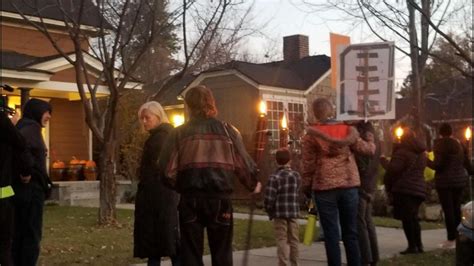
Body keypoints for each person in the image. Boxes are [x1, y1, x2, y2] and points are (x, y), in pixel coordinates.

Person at [159, 85, 261, 266]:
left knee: (191, 255)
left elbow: (166, 171)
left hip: (190, 200)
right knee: (222, 254)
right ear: (211, 102)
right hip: (220, 200)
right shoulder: (228, 131)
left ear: (189, 106)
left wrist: (182, 185)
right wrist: (253, 184)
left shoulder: (179, 133)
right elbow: (243, 164)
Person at [302, 98, 375, 266]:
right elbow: (368, 150)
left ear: (315, 113)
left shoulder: (311, 136)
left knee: (331, 234)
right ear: (331, 111)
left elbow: (308, 164)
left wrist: (306, 186)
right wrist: (370, 138)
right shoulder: (347, 131)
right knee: (351, 232)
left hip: (324, 186)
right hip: (349, 185)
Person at [133, 101, 180, 266]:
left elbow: (160, 170)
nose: (144, 122)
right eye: (142, 118)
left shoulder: (160, 139)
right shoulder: (165, 136)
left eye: (147, 117)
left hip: (158, 199)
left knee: (159, 244)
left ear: (158, 116)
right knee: (169, 243)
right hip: (163, 198)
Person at [12, 98, 53, 265]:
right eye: (47, 111)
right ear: (36, 111)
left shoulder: (21, 127)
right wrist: (26, 171)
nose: (49, 116)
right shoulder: (31, 129)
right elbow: (23, 149)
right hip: (31, 191)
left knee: (18, 233)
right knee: (31, 234)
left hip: (20, 191)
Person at [381, 127, 427, 254]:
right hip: (419, 189)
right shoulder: (422, 153)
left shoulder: (403, 152)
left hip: (405, 189)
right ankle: (419, 245)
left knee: (407, 219)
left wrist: (383, 161)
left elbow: (393, 170)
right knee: (414, 218)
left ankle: (412, 246)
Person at [427, 123, 470, 249]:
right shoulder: (460, 144)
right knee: (457, 209)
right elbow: (467, 163)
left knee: (448, 210)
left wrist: (426, 160)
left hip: (445, 182)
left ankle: (451, 238)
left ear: (440, 133)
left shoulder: (440, 145)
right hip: (459, 181)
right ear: (451, 132)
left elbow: (438, 165)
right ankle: (459, 236)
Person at [264, 148, 301, 266]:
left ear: (276, 161)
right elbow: (298, 190)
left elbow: (269, 197)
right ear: (290, 160)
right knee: (294, 239)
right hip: (293, 212)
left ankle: (283, 263)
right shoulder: (296, 176)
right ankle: (295, 263)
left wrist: (269, 209)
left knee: (282, 239)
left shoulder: (274, 177)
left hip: (280, 213)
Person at [0, 110, 25, 266]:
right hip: (2, 195)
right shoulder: (2, 122)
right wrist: (13, 125)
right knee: (4, 244)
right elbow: (20, 143)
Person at [354, 121, 380, 266]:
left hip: (361, 184)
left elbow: (363, 166)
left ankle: (365, 257)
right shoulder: (377, 143)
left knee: (360, 222)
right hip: (371, 184)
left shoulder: (364, 146)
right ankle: (373, 256)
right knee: (368, 221)